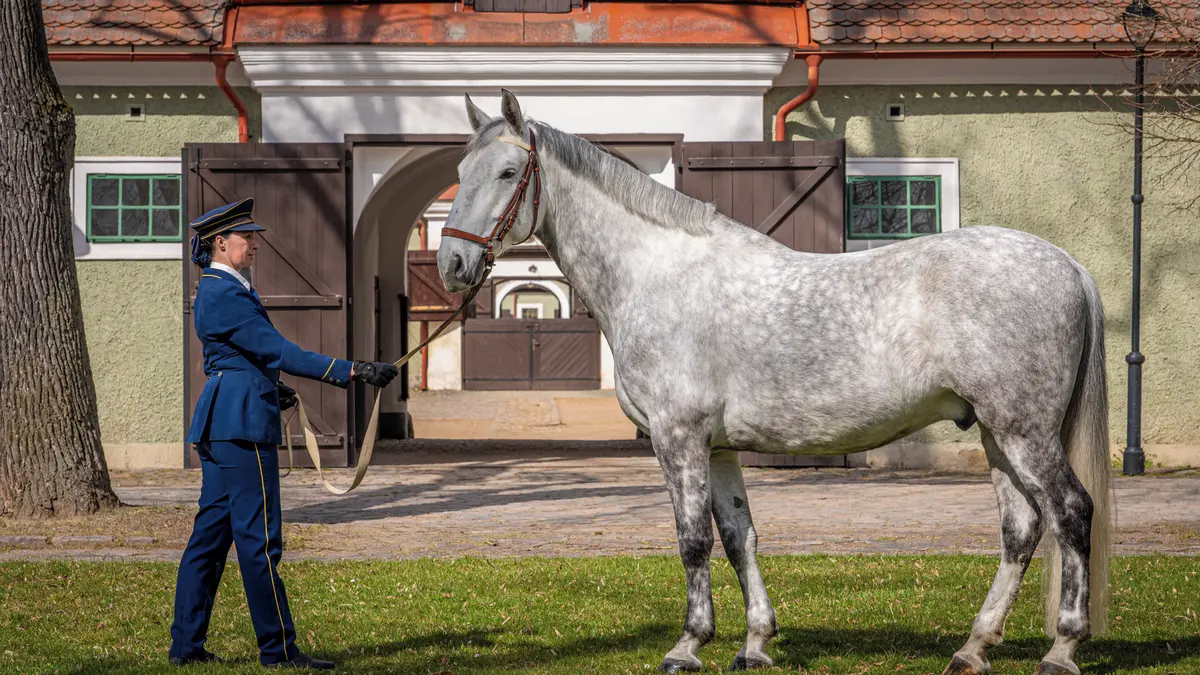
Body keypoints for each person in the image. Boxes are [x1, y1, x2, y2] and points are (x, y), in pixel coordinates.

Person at [168, 198, 398, 669]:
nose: (254, 244)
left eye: (253, 236)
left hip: (228, 416)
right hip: (242, 425)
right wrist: (352, 371)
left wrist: (276, 387)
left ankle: (186, 647)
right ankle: (279, 651)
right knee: (259, 540)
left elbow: (246, 357)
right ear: (220, 242)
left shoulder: (221, 287)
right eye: (245, 237)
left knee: (210, 539)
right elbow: (277, 348)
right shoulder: (223, 291)